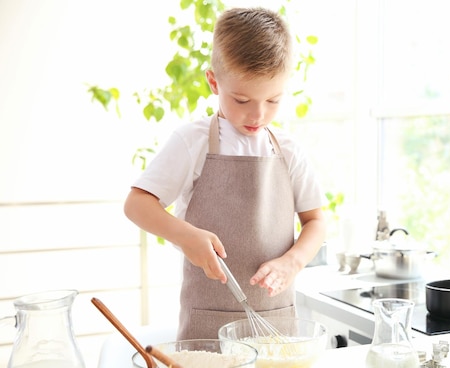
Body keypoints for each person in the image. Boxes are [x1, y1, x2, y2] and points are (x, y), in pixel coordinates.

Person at [124, 7, 326, 340]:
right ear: (214, 82)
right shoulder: (193, 142)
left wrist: (292, 262)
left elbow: (316, 221)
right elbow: (136, 204)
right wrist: (186, 236)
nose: (258, 114)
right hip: (208, 328)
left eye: (273, 100)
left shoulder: (288, 150)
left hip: (275, 322)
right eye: (242, 99)